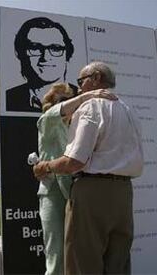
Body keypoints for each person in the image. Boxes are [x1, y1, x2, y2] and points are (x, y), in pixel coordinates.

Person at [34, 62, 144, 274]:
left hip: (92, 194)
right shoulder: (130, 110)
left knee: (83, 264)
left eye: (81, 81)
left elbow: (74, 161)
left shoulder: (91, 107)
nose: (80, 88)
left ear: (95, 78)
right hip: (123, 194)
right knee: (117, 265)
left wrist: (45, 166)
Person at [34, 83, 117, 275]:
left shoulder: (80, 125)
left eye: (71, 98)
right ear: (52, 104)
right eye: (64, 100)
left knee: (80, 254)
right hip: (53, 193)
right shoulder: (46, 122)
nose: (71, 103)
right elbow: (57, 113)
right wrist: (87, 97)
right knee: (56, 254)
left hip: (77, 192)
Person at [6, 17, 77, 112]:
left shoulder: (82, 98)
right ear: (20, 53)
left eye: (55, 49)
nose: (46, 57)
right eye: (35, 48)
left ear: (67, 54)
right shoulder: (9, 99)